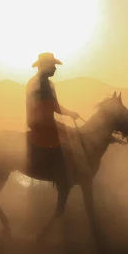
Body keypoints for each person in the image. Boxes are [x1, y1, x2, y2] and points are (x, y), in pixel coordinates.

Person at [26, 52, 80, 180]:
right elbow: (54, 106)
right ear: (45, 66)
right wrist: (71, 114)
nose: (55, 68)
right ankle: (61, 176)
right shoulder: (43, 84)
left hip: (44, 123)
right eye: (52, 65)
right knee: (69, 142)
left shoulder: (38, 83)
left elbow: (53, 105)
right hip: (43, 126)